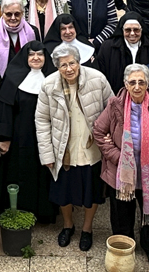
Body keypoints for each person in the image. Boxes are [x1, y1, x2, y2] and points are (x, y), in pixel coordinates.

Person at [93, 64, 149, 266]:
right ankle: (124, 247)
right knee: (121, 214)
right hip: (123, 172)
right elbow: (98, 131)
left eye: (141, 82)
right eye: (132, 82)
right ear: (125, 84)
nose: (137, 86)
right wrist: (117, 156)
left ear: (148, 83)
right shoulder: (115, 104)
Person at [36, 44, 112, 250]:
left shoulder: (98, 79)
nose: (69, 69)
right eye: (63, 65)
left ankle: (87, 229)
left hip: (92, 148)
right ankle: (68, 225)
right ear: (56, 67)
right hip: (63, 149)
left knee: (91, 192)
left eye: (72, 63)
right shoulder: (48, 85)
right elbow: (42, 120)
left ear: (79, 62)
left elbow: (112, 110)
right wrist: (46, 154)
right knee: (63, 192)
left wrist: (107, 140)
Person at [0, 42, 56, 225]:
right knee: (18, 172)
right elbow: (5, 108)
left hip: (46, 137)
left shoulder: (53, 78)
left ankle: (43, 213)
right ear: (25, 57)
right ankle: (16, 211)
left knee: (43, 173)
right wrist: (4, 138)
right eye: (32, 55)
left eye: (40, 54)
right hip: (19, 136)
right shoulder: (13, 77)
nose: (36, 58)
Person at [97, 12, 149, 93]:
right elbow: (101, 74)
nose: (132, 33)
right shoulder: (108, 47)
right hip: (116, 95)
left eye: (136, 30)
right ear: (122, 30)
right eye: (128, 30)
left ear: (142, 30)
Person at [0, 0, 37, 75]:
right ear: (2, 13)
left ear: (22, 13)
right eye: (8, 14)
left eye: (17, 14)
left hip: (27, 79)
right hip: (0, 81)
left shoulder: (33, 31)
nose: (13, 18)